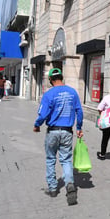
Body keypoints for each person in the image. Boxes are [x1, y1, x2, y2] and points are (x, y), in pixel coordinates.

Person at [33, 68, 84, 206]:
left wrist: (37, 125)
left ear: (50, 80)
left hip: (53, 131)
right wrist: (79, 128)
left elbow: (43, 114)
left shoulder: (49, 94)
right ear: (62, 77)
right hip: (67, 131)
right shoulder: (72, 92)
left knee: (50, 159)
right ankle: (69, 184)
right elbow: (79, 111)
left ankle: (53, 189)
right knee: (66, 160)